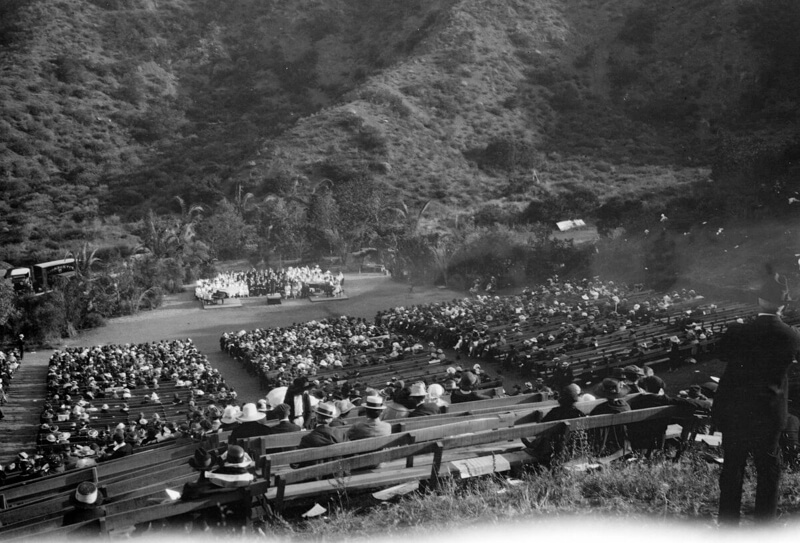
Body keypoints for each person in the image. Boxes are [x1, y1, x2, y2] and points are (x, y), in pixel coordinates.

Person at [712, 274, 800, 525]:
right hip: (770, 411)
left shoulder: (739, 331)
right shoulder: (793, 335)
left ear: (760, 301)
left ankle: (728, 523)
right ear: (783, 305)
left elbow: (721, 353)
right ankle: (765, 525)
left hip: (737, 409)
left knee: (733, 467)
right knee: (769, 468)